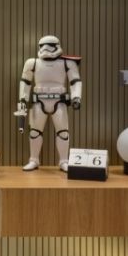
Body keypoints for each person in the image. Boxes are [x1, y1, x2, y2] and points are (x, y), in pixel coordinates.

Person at [16, 35, 82, 172]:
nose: (46, 48)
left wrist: (76, 97)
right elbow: (25, 81)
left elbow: (75, 81)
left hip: (59, 101)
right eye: (43, 46)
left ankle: (64, 161)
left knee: (63, 132)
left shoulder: (67, 63)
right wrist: (23, 99)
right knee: (34, 132)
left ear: (56, 46)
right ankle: (34, 160)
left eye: (50, 45)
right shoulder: (32, 62)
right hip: (39, 101)